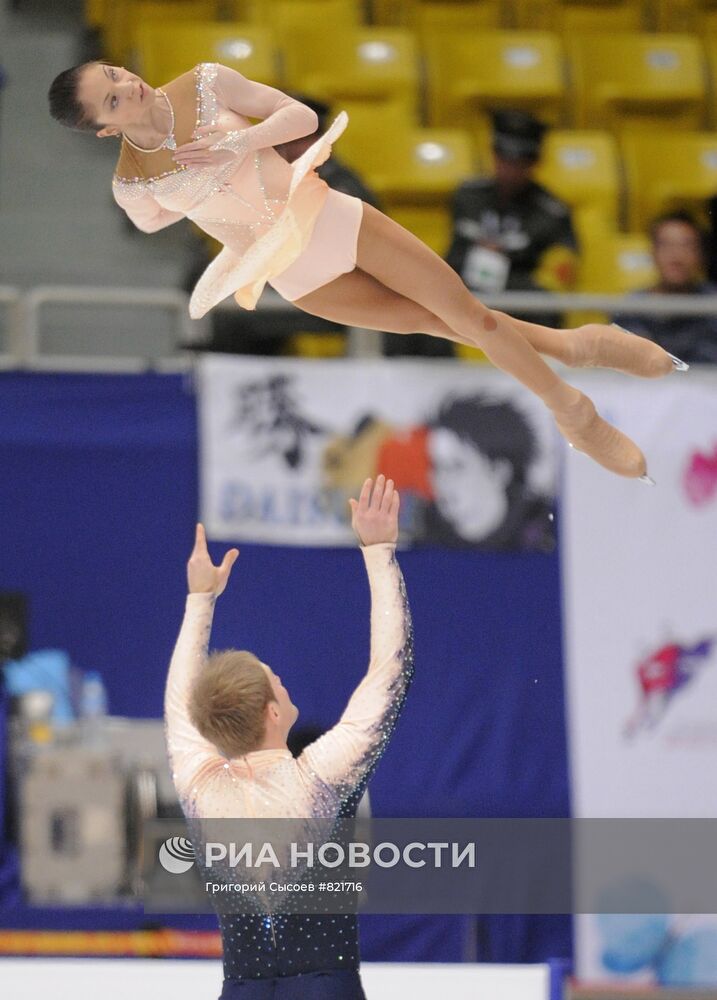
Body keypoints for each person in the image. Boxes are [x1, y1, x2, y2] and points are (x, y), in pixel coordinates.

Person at [48, 61, 687, 481]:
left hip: (331, 216)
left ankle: (572, 411)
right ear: (103, 129)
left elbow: (302, 118)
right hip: (297, 276)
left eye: (114, 73)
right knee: (436, 325)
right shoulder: (132, 186)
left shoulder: (205, 82)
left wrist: (240, 142)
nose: (127, 85)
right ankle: (578, 346)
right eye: (111, 98)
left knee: (472, 316)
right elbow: (154, 223)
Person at [164, 476, 410, 999]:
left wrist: (199, 601)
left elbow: (182, 709)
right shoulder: (321, 775)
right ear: (274, 712)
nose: (281, 678)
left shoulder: (200, 787)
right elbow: (391, 670)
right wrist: (379, 552)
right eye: (274, 677)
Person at [445, 110, 578, 302]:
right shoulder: (467, 197)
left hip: (520, 306)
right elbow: (453, 256)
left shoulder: (553, 213)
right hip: (463, 296)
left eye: (519, 163)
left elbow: (554, 280)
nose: (510, 171)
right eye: (504, 159)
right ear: (493, 154)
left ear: (534, 163)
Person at [613, 211, 717, 365]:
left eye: (687, 245)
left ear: (701, 254)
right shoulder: (631, 308)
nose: (676, 256)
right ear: (652, 252)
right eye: (666, 245)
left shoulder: (712, 306)